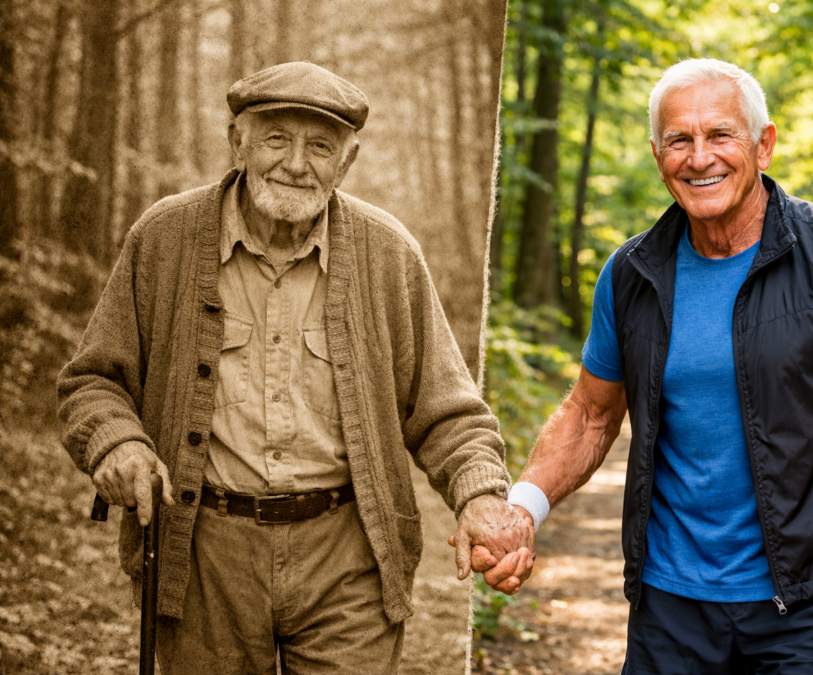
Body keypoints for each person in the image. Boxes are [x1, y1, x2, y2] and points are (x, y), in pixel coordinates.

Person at [58, 61, 532, 675]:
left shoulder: (389, 254)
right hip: (204, 555)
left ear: (348, 160)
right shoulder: (165, 238)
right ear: (238, 142)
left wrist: (480, 496)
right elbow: (93, 381)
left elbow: (447, 412)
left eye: (320, 147)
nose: (296, 164)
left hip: (347, 553)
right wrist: (115, 443)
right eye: (276, 138)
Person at [498, 58, 813, 673]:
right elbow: (590, 416)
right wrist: (523, 510)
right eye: (680, 139)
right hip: (670, 608)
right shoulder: (631, 275)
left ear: (764, 145)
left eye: (720, 135)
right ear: (658, 156)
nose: (699, 157)